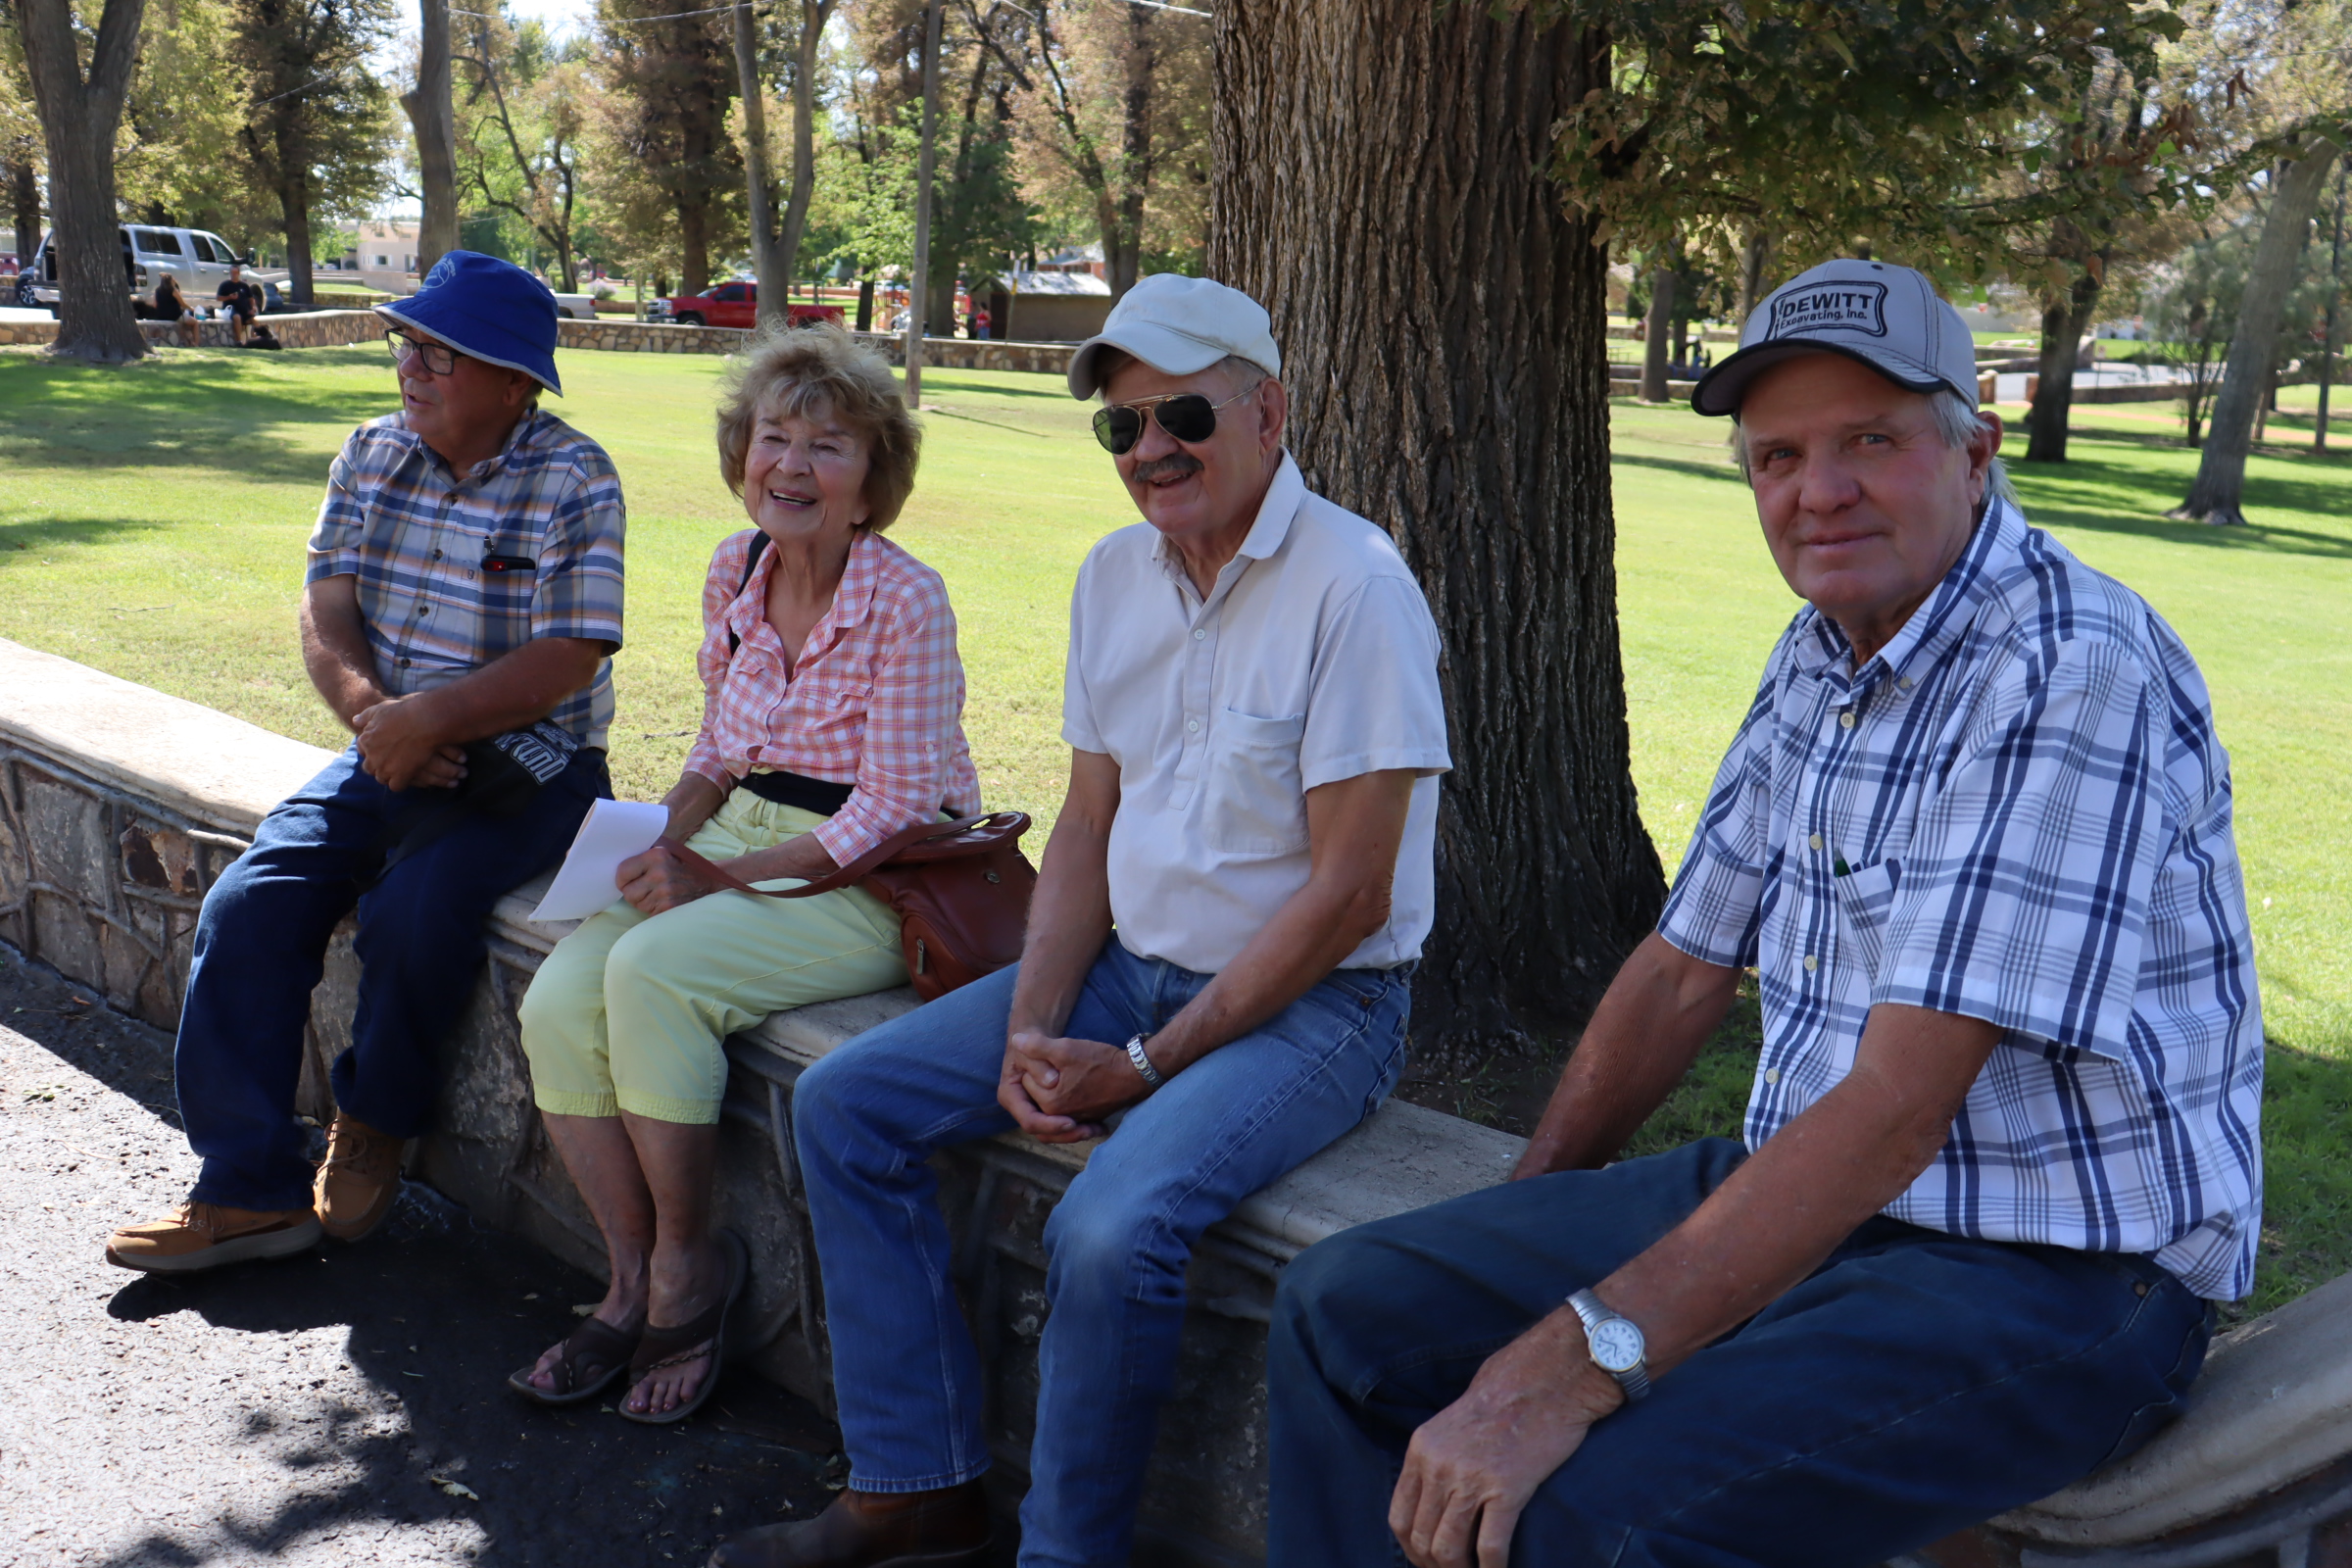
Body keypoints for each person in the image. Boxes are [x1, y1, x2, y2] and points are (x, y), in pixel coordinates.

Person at [1266, 259, 2264, 1568]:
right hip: (1825, 1201)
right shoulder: (1824, 649)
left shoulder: (2069, 669)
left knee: (1597, 1516)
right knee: (1345, 1309)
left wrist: (1570, 1360)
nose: (1818, 490)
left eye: (1871, 441)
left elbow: (1900, 1106)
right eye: (1778, 456)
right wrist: (1519, 1232)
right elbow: (1682, 968)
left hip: (2060, 1274)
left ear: (1976, 453)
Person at [709, 273, 1450, 1568]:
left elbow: (1351, 895)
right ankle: (917, 1487)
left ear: (1269, 413)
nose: (1151, 448)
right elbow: (1089, 824)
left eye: (1184, 416)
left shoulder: (1357, 587)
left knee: (1107, 1229)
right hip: (1126, 968)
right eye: (1123, 425)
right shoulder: (1114, 577)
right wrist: (1032, 1026)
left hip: (1322, 1005)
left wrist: (1146, 1066)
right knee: (845, 1106)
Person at [105, 252, 626, 1274]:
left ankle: (373, 1121)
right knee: (248, 904)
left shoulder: (574, 475)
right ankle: (247, 1190)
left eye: (443, 351)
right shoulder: (370, 451)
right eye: (407, 342)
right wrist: (382, 718)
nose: (411, 365)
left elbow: (570, 655)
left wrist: (435, 718)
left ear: (514, 382)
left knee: (416, 911)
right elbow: (326, 604)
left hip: (533, 761)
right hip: (386, 740)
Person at [510, 323, 979, 1426]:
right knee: (557, 997)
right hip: (742, 834)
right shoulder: (736, 567)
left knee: (654, 973)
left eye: (829, 446)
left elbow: (893, 808)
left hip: (872, 872)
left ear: (872, 480)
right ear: (742, 453)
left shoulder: (908, 598)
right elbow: (722, 748)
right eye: (774, 437)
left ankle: (688, 1272)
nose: (792, 466)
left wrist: (719, 883)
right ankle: (628, 1276)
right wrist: (661, 840)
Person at [217, 261, 260, 345]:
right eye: (232, 273)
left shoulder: (244, 286)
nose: (234, 274)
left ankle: (255, 341)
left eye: (236, 273)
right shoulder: (225, 285)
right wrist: (229, 297)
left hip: (244, 310)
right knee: (237, 317)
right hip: (232, 310)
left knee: (255, 322)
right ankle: (239, 341)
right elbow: (218, 298)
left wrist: (253, 308)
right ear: (230, 273)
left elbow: (251, 298)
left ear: (239, 273)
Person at [151, 272, 200, 347]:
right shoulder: (173, 290)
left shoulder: (157, 290)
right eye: (173, 279)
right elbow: (183, 304)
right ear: (171, 281)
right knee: (195, 323)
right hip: (175, 316)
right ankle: (196, 344)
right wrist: (191, 308)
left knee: (182, 325)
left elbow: (154, 305)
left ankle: (187, 342)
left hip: (161, 316)